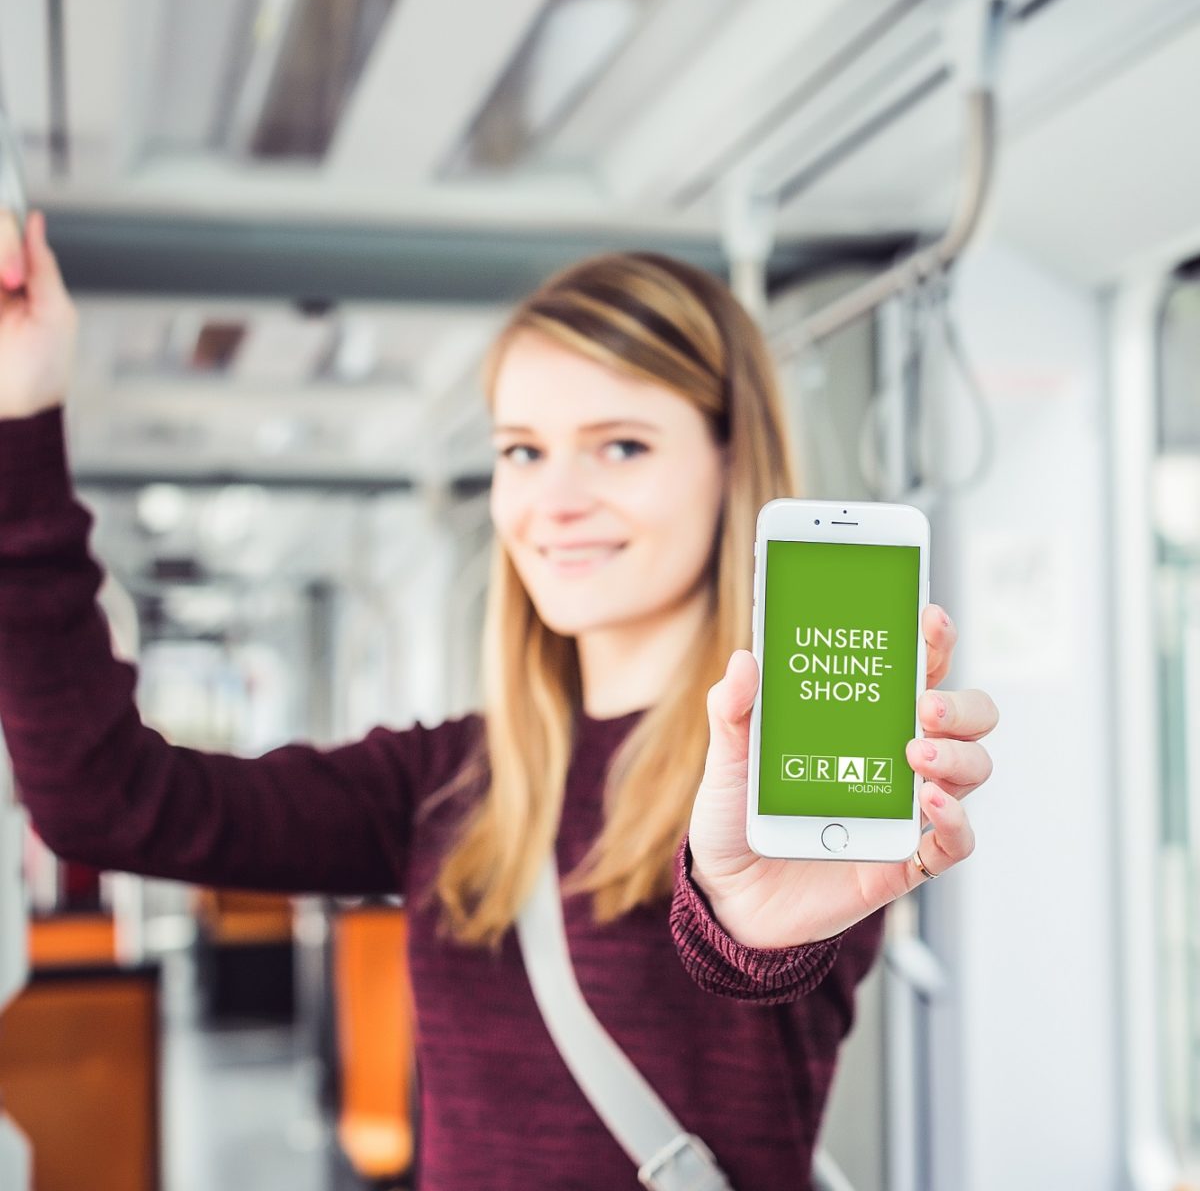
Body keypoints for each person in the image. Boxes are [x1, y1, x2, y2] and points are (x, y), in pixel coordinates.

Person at [0, 209, 997, 1190]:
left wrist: (738, 919)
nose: (552, 500)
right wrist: (20, 414)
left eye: (621, 447)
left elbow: (751, 952)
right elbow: (102, 797)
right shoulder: (443, 783)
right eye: (522, 449)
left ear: (732, 461)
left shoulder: (792, 779)